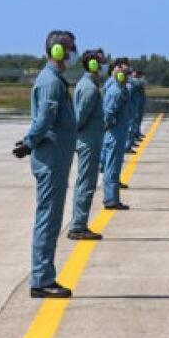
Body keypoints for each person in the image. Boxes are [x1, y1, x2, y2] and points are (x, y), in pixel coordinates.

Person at [12, 30, 78, 298]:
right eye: (70, 48)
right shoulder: (51, 82)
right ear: (58, 51)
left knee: (50, 219)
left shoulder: (54, 80)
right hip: (51, 161)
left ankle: (44, 276)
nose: (73, 53)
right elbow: (44, 119)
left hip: (55, 160)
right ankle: (41, 280)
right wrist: (29, 142)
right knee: (48, 220)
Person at [68, 48, 107, 240]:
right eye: (102, 62)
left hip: (90, 141)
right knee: (86, 184)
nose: (104, 66)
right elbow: (79, 119)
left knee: (85, 183)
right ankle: (78, 226)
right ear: (93, 65)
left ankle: (79, 224)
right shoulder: (89, 89)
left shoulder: (88, 84)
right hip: (88, 143)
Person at [101, 59, 132, 211]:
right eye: (125, 73)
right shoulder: (116, 91)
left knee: (114, 167)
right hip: (114, 135)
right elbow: (108, 114)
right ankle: (111, 200)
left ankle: (112, 198)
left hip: (118, 134)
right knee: (112, 168)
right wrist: (109, 127)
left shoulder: (122, 89)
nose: (127, 76)